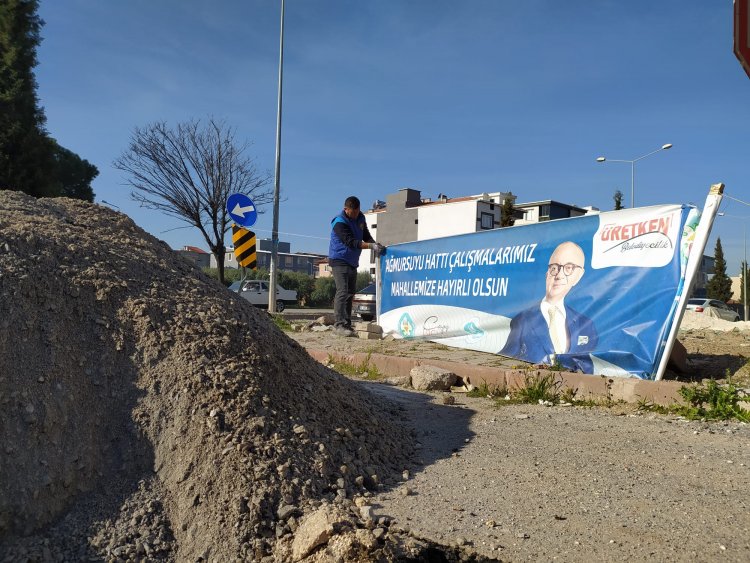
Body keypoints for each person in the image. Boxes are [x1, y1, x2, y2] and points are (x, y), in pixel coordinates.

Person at [500, 241, 598, 371]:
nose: (559, 275)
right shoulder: (523, 320)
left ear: (578, 276)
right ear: (547, 274)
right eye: (554, 268)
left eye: (568, 268)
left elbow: (588, 367)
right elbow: (505, 360)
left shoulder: (586, 325)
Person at [328, 196, 385, 337]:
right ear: (345, 209)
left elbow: (366, 235)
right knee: (342, 291)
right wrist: (370, 246)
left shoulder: (360, 218)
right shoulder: (339, 222)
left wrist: (375, 244)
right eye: (351, 213)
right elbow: (350, 242)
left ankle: (347, 324)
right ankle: (339, 325)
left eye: (356, 212)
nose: (354, 216)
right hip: (339, 260)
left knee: (350, 293)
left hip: (352, 261)